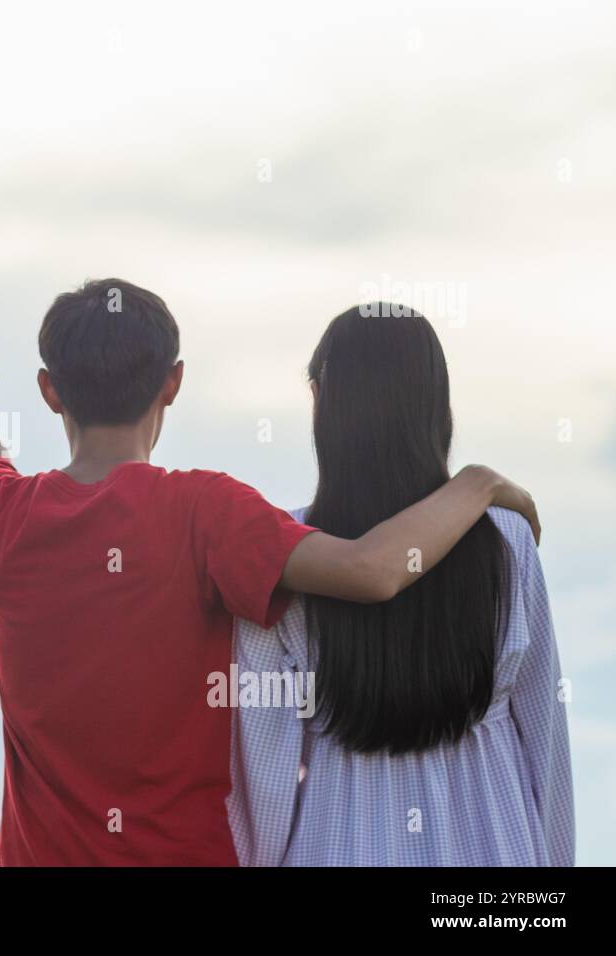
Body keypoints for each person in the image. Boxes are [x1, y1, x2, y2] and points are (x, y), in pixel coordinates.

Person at [0, 280, 541, 865]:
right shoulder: (206, 512)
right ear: (173, 383)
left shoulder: (0, 514)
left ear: (49, 390)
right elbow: (374, 569)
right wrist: (477, 484)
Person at [228, 305, 573, 866]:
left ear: (320, 403)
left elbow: (262, 775)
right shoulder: (508, 540)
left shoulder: (289, 558)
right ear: (439, 409)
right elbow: (545, 739)